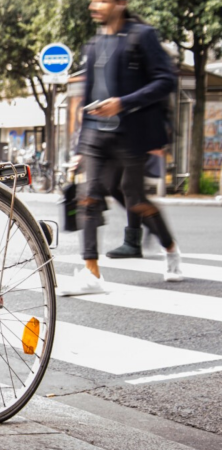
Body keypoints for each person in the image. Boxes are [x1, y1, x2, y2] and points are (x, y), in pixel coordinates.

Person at [59, 0, 181, 296]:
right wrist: (79, 148)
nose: (94, 5)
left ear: (121, 3)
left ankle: (170, 248)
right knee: (88, 198)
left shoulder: (141, 35)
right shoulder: (94, 44)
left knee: (134, 199)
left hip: (130, 132)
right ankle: (92, 274)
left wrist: (123, 103)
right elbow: (88, 98)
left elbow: (166, 80)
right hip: (96, 135)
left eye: (102, 0)